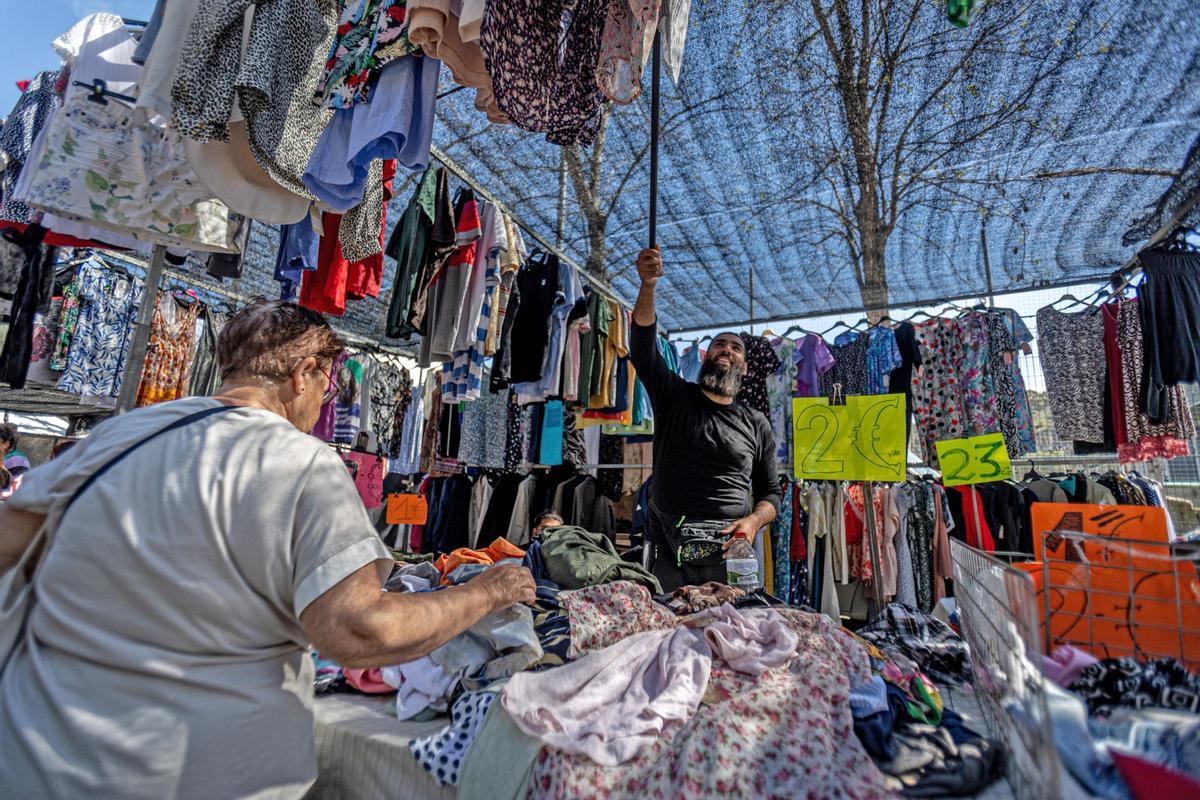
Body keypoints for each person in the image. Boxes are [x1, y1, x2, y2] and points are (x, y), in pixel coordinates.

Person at [0, 301, 535, 799]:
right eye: (329, 382)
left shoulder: (123, 434)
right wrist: (486, 593)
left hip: (40, 757)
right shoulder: (300, 462)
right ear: (303, 372)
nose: (327, 398)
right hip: (191, 776)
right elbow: (359, 629)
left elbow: (11, 544)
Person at [630, 247, 781, 592]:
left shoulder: (756, 422)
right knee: (667, 631)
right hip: (668, 550)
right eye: (719, 345)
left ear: (744, 365)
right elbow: (641, 350)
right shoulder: (674, 396)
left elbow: (771, 493)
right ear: (706, 356)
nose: (726, 350)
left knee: (730, 636)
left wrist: (754, 522)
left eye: (735, 348)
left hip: (731, 554)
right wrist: (648, 286)